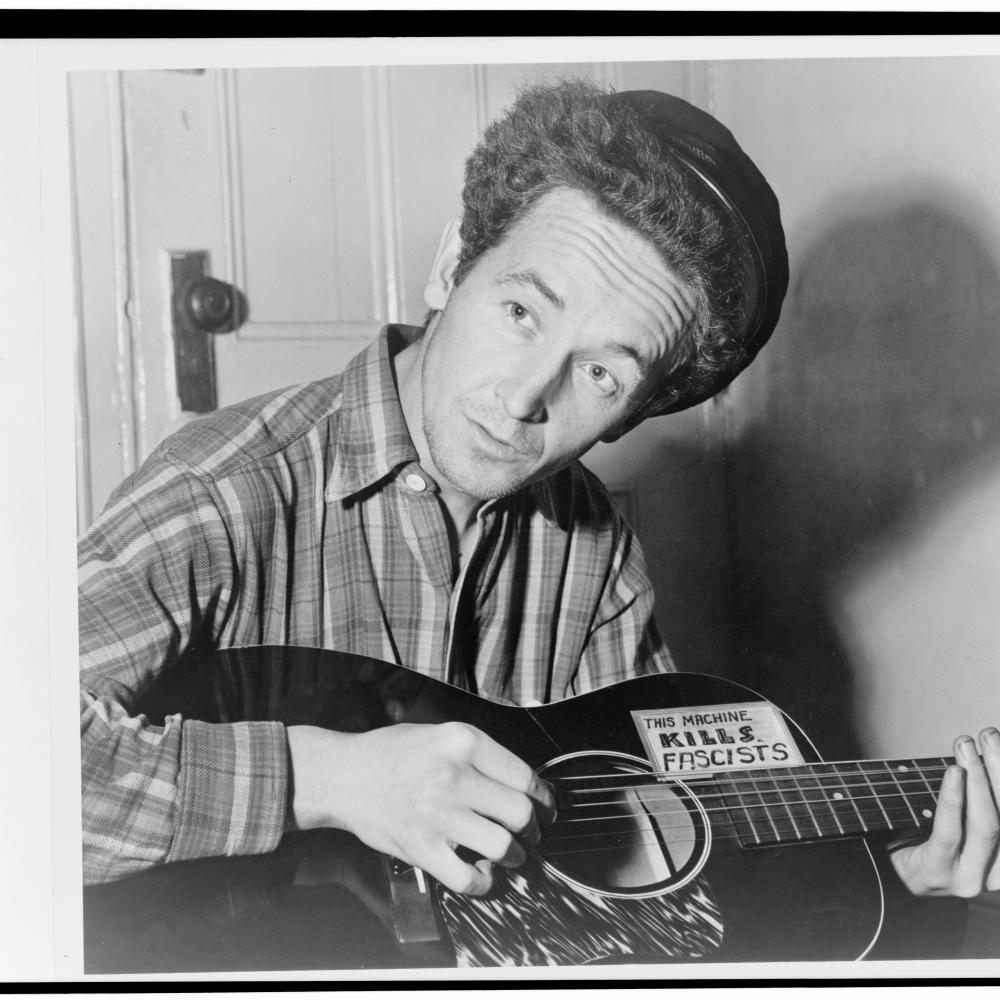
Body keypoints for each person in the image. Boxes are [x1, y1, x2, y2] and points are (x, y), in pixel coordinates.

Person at [79, 80, 999, 904]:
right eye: (521, 313)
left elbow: (644, 841)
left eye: (600, 374)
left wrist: (886, 874)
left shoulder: (596, 552)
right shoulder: (226, 489)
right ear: (451, 267)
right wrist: (328, 779)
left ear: (635, 412)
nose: (524, 398)